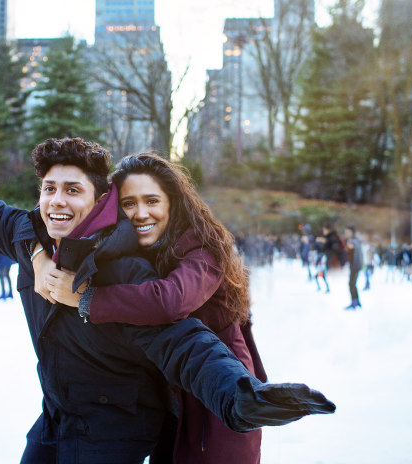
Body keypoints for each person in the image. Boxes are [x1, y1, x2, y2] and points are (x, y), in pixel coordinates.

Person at [0, 139, 335, 463]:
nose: (57, 201)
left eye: (73, 190)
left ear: (102, 201)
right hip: (59, 413)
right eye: (49, 189)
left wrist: (241, 395)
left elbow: (182, 338)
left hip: (117, 423)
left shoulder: (129, 268)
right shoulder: (31, 237)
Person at [33, 153, 265, 463]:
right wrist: (37, 255)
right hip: (165, 390)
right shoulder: (137, 249)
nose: (140, 214)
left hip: (213, 389)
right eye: (128, 204)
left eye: (152, 201)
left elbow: (171, 300)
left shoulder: (201, 247)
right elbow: (27, 219)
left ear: (173, 203)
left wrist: (87, 299)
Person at [344, 226, 363, 310]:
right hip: (355, 265)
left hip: (355, 265)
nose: (346, 234)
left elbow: (350, 246)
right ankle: (356, 302)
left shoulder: (353, 240)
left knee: (351, 284)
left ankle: (354, 302)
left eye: (347, 232)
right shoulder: (356, 240)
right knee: (353, 284)